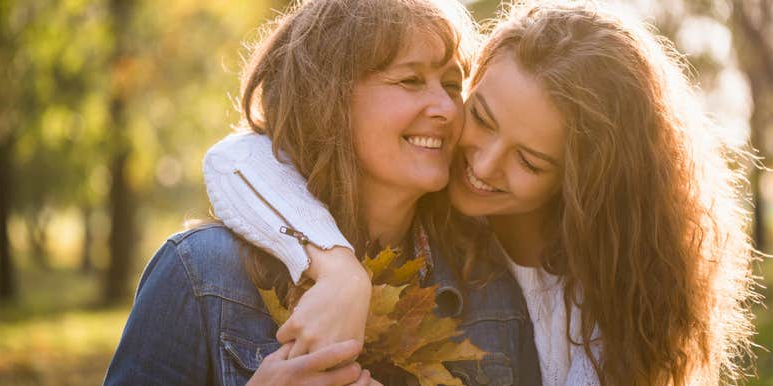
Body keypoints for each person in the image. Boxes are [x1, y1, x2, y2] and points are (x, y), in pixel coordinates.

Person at [204, 1, 759, 385]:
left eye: (530, 160)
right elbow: (238, 158)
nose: (482, 164)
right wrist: (339, 269)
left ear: (584, 185)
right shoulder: (430, 201)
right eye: (484, 118)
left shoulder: (605, 296)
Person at [105, 0, 542, 385]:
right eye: (411, 81)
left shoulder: (487, 287)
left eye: (451, 85)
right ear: (326, 100)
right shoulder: (201, 274)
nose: (447, 109)